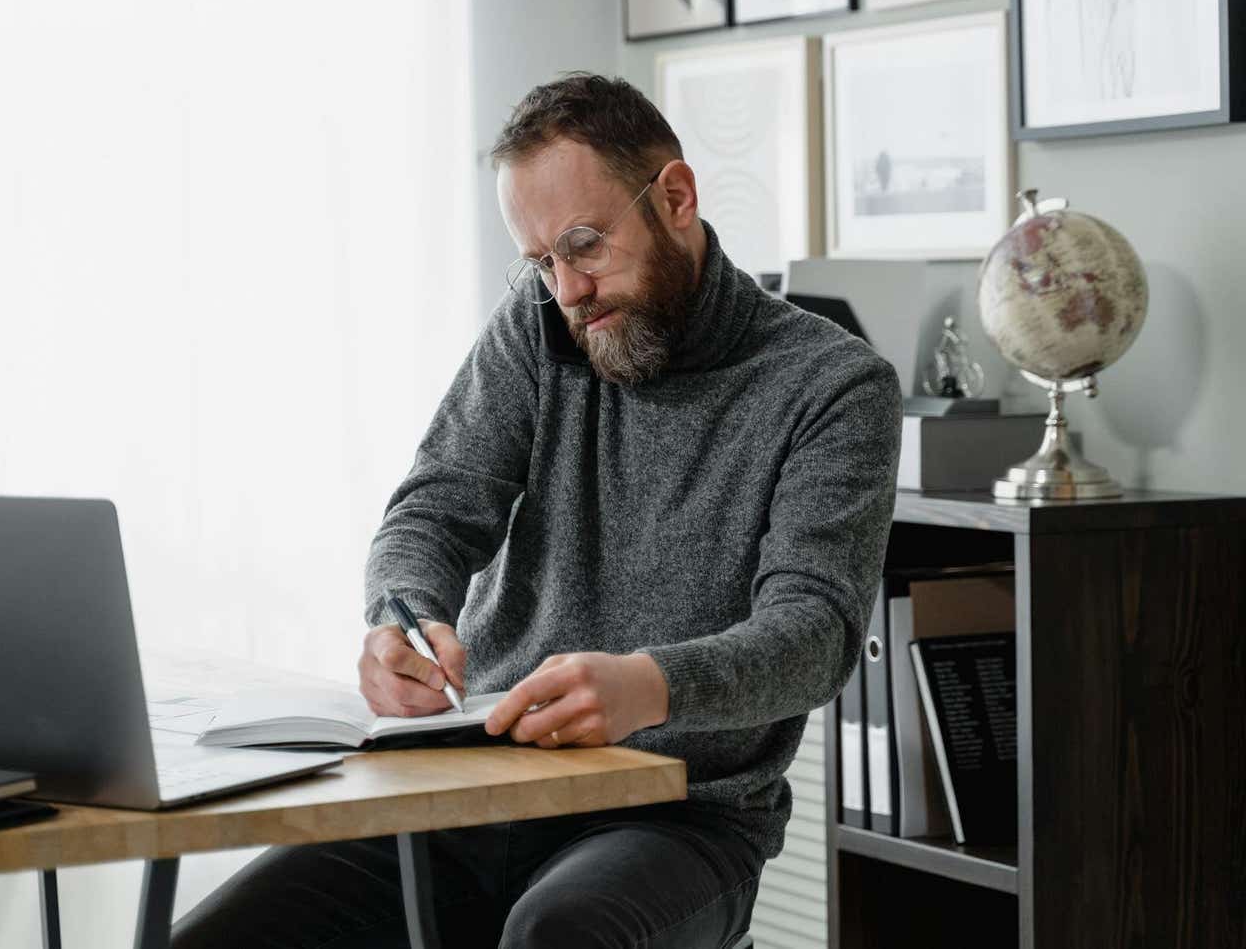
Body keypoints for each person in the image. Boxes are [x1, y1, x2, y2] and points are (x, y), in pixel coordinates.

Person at [172, 74, 901, 948]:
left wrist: (648, 687)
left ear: (675, 196)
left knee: (558, 936)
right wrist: (401, 618)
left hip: (676, 816)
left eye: (585, 245)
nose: (567, 290)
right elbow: (434, 510)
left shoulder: (832, 385)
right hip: (477, 784)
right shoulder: (540, 323)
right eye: (540, 261)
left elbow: (814, 635)